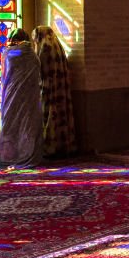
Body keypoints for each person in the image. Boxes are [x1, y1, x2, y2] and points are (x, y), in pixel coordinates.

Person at [0, 28, 43, 167]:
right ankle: (29, 153)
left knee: (11, 123)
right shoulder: (31, 54)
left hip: (11, 96)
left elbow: (5, 75)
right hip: (30, 95)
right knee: (28, 124)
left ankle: (10, 154)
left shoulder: (8, 53)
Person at [32, 25, 77, 158]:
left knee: (50, 115)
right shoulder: (58, 46)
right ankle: (65, 146)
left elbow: (42, 71)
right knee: (62, 115)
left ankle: (50, 148)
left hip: (49, 88)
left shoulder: (45, 48)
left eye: (35, 38)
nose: (35, 42)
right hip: (61, 87)